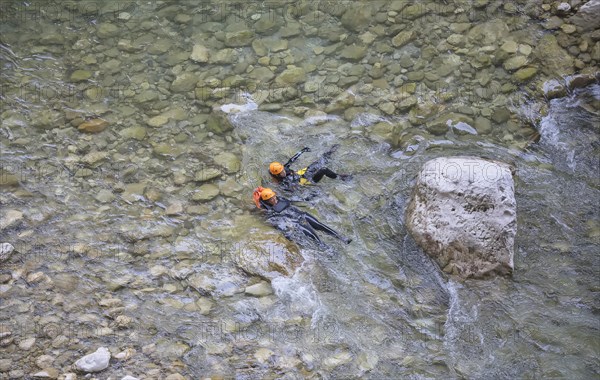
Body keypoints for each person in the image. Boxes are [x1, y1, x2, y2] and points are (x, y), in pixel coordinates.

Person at [253, 187, 352, 245]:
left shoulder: (280, 199)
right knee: (313, 235)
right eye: (271, 199)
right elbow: (262, 211)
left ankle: (341, 237)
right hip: (296, 222)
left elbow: (294, 201)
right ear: (266, 201)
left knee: (320, 225)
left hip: (302, 215)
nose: (274, 199)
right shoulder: (268, 209)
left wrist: (307, 200)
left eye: (274, 197)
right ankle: (326, 249)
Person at [269, 145, 351, 191]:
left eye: (282, 170)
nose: (283, 172)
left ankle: (332, 150)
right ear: (277, 175)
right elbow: (292, 190)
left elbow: (292, 159)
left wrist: (302, 151)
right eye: (280, 173)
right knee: (323, 170)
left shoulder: (284, 168)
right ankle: (340, 177)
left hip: (304, 173)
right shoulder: (282, 182)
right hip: (308, 181)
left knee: (321, 160)